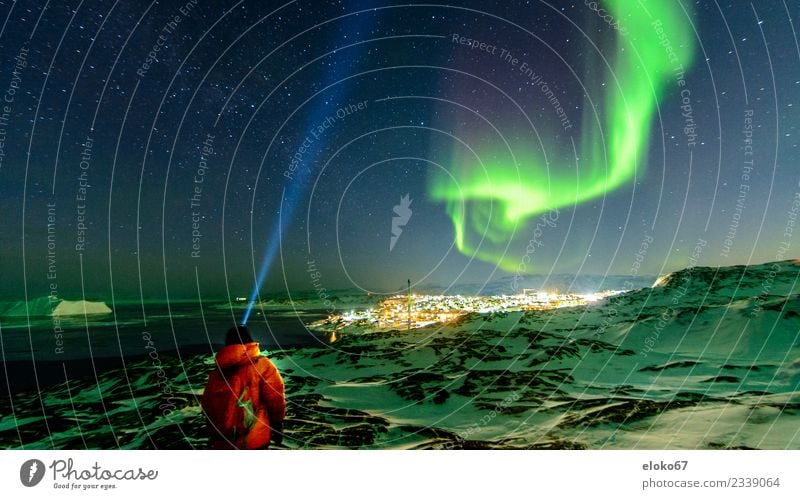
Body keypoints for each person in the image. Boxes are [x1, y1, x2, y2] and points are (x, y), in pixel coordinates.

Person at [200, 325, 286, 449]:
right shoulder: (262, 365)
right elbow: (275, 398)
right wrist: (277, 424)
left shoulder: (217, 373)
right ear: (249, 340)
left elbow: (207, 406)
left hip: (224, 442)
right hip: (254, 439)